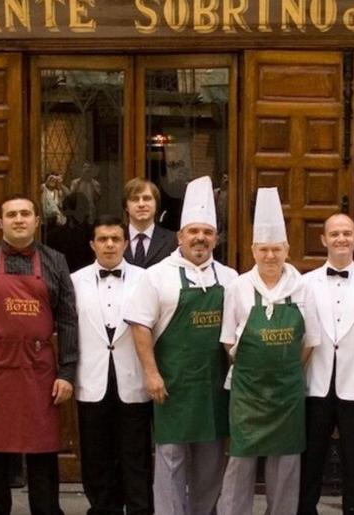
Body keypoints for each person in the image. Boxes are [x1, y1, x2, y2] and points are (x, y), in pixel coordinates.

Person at [0, 195, 78, 515]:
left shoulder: (56, 261)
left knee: (43, 456)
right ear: (1, 223)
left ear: (37, 221)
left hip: (41, 371)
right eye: (11, 214)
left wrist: (66, 374)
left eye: (26, 214)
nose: (19, 219)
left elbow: (67, 321)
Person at [124, 175, 238, 515]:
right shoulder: (156, 275)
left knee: (211, 460)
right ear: (180, 236)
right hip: (171, 385)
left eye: (206, 232)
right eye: (193, 232)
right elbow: (141, 327)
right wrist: (151, 374)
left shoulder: (230, 278)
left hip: (215, 386)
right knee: (170, 460)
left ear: (215, 238)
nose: (200, 238)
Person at [217, 188, 320, 515]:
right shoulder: (238, 287)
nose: (271, 256)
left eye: (276, 249)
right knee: (240, 462)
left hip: (287, 393)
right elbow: (227, 342)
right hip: (247, 391)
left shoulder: (303, 288)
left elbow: (310, 341)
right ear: (253, 250)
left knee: (286, 463)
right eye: (264, 249)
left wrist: (284, 370)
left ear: (287, 250)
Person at [72, 215, 153, 515]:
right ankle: (102, 509)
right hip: (91, 379)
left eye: (115, 239)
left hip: (133, 379)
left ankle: (140, 509)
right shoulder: (74, 280)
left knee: (136, 455)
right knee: (96, 456)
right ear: (92, 244)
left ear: (126, 243)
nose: (109, 245)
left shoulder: (146, 279)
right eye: (103, 239)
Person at [298, 213, 354, 515]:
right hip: (316, 380)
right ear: (323, 240)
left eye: (347, 233)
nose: (341, 239)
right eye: (335, 234)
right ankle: (304, 508)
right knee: (311, 454)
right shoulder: (305, 283)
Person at [123, 177, 175, 269]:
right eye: (135, 199)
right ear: (126, 206)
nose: (141, 204)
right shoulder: (115, 239)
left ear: (156, 204)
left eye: (147, 198)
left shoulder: (173, 240)